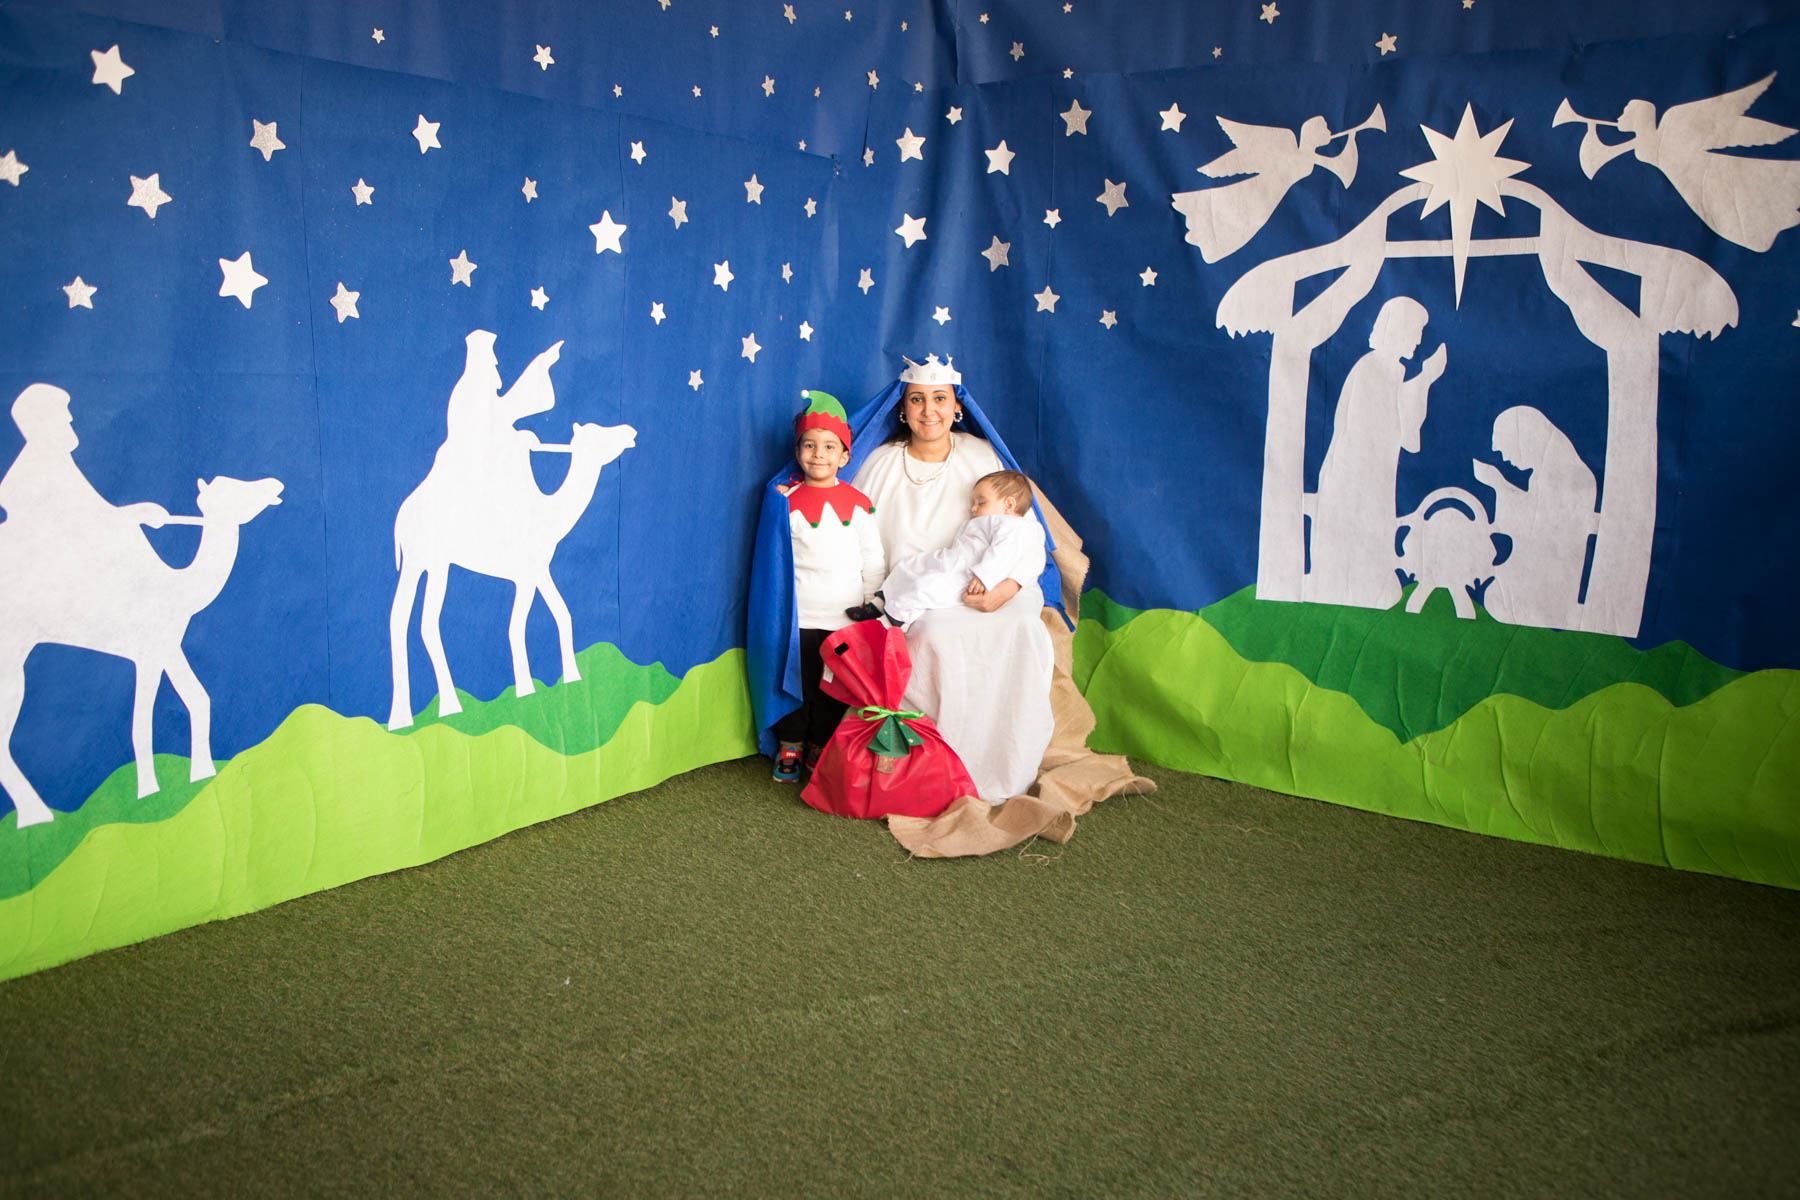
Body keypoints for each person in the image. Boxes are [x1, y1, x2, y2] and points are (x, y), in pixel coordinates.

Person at [851, 357, 1055, 801]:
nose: (930, 410)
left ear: (957, 407)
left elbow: (1025, 536)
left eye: (940, 398)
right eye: (917, 400)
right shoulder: (879, 464)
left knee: (1021, 627)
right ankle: (937, 765)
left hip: (996, 584)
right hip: (919, 589)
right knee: (935, 633)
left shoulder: (981, 456)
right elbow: (855, 534)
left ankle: (1001, 764)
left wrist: (1005, 589)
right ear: (902, 409)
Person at [769, 390, 884, 783]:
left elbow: (873, 558)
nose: (819, 454)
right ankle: (791, 744)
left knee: (833, 687)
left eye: (829, 446)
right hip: (799, 617)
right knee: (794, 683)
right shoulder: (784, 502)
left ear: (844, 456)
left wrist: (872, 603)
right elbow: (775, 563)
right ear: (797, 451)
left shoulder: (860, 504)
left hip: (844, 618)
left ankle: (821, 743)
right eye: (809, 445)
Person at [1307, 295, 1446, 609]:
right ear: (1398, 329)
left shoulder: (1390, 370)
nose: (1418, 341)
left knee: (1369, 541)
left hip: (1372, 477)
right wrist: (1424, 378)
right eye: (1415, 332)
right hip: (1354, 477)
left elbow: (1401, 428)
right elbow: (1392, 427)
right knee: (1350, 543)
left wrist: (1423, 379)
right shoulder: (1372, 369)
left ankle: (1368, 588)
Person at [881, 470, 1045, 625]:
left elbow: (1003, 552)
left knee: (924, 588)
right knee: (910, 565)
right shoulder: (988, 522)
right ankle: (881, 598)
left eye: (981, 502)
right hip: (952, 559)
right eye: (973, 502)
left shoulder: (1016, 526)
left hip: (969, 576)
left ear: (1008, 505)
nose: (973, 508)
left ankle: (892, 620)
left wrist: (984, 576)